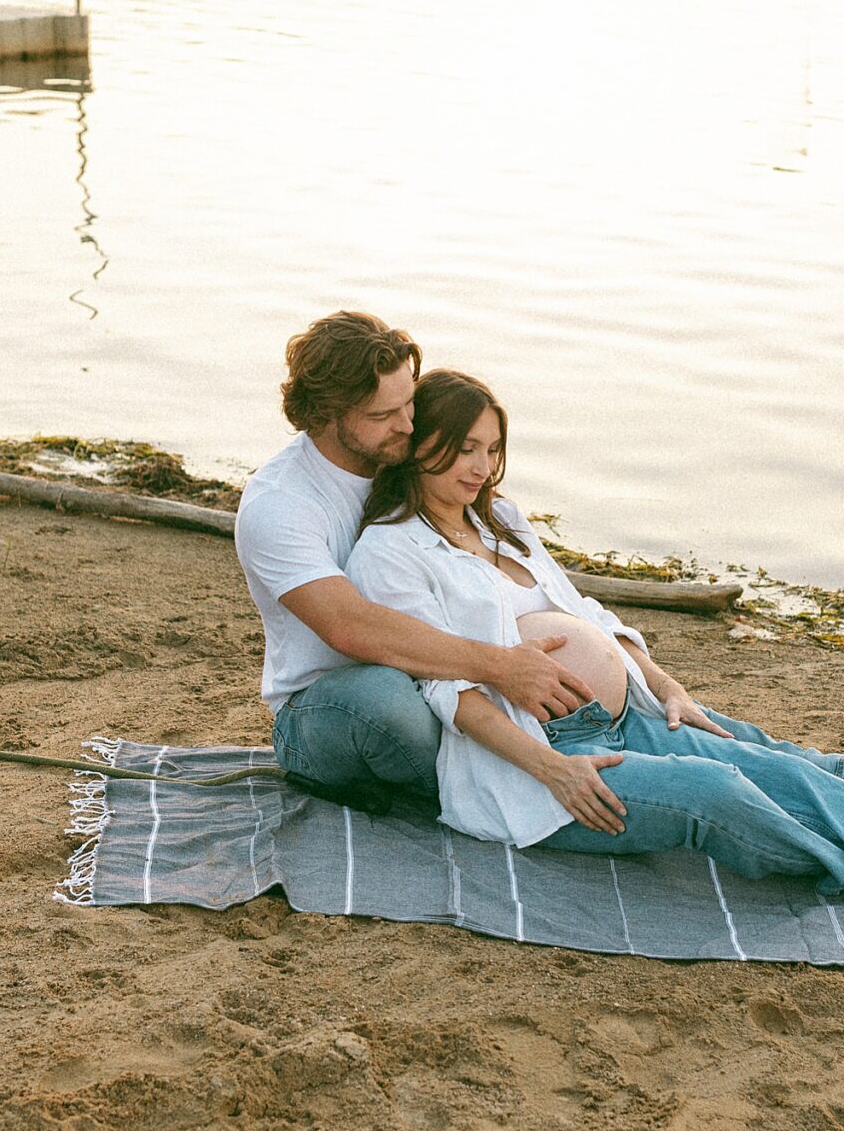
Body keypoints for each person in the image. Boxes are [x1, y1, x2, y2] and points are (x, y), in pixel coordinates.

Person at [345, 369, 844, 939]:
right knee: (720, 790)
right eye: (460, 451)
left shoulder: (500, 521)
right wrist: (553, 768)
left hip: (625, 719)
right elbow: (449, 690)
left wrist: (664, 683)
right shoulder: (390, 555)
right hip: (540, 764)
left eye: (490, 449)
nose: (479, 468)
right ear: (418, 450)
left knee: (770, 769)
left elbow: (585, 615)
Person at [234, 312, 593, 817]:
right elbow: (349, 627)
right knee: (385, 701)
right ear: (325, 415)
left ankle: (542, 763)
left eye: (409, 402)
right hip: (329, 705)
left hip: (442, 679)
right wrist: (500, 664)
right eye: (384, 415)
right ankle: (503, 786)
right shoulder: (281, 503)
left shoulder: (405, 457)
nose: (407, 424)